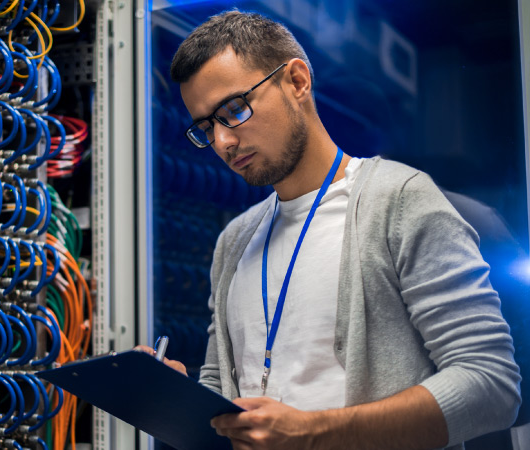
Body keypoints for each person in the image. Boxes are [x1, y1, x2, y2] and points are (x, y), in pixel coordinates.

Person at [137, 10, 521, 450]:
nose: (222, 142)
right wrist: (180, 398)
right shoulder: (235, 240)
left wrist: (314, 432)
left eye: (234, 110)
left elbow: (490, 384)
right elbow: (227, 391)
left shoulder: (399, 200)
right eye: (206, 127)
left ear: (297, 82)